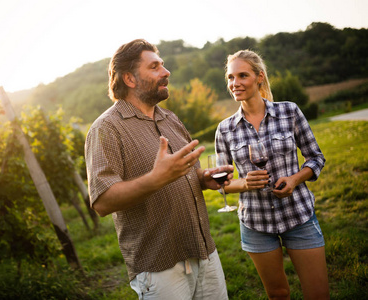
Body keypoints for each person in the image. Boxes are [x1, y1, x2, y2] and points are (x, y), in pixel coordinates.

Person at [85, 39, 232, 299]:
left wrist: (203, 178)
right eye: (154, 67)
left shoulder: (170, 118)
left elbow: (186, 173)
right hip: (159, 268)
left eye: (163, 65)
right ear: (129, 79)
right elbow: (102, 202)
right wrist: (155, 179)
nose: (166, 72)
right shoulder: (106, 128)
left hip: (204, 250)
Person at [215, 49, 330, 300]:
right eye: (230, 78)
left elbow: (316, 158)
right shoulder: (224, 129)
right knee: (278, 294)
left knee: (318, 293)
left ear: (259, 77)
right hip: (256, 223)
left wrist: (295, 179)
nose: (235, 83)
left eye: (242, 75)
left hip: (298, 215)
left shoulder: (289, 111)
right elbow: (222, 184)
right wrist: (244, 183)